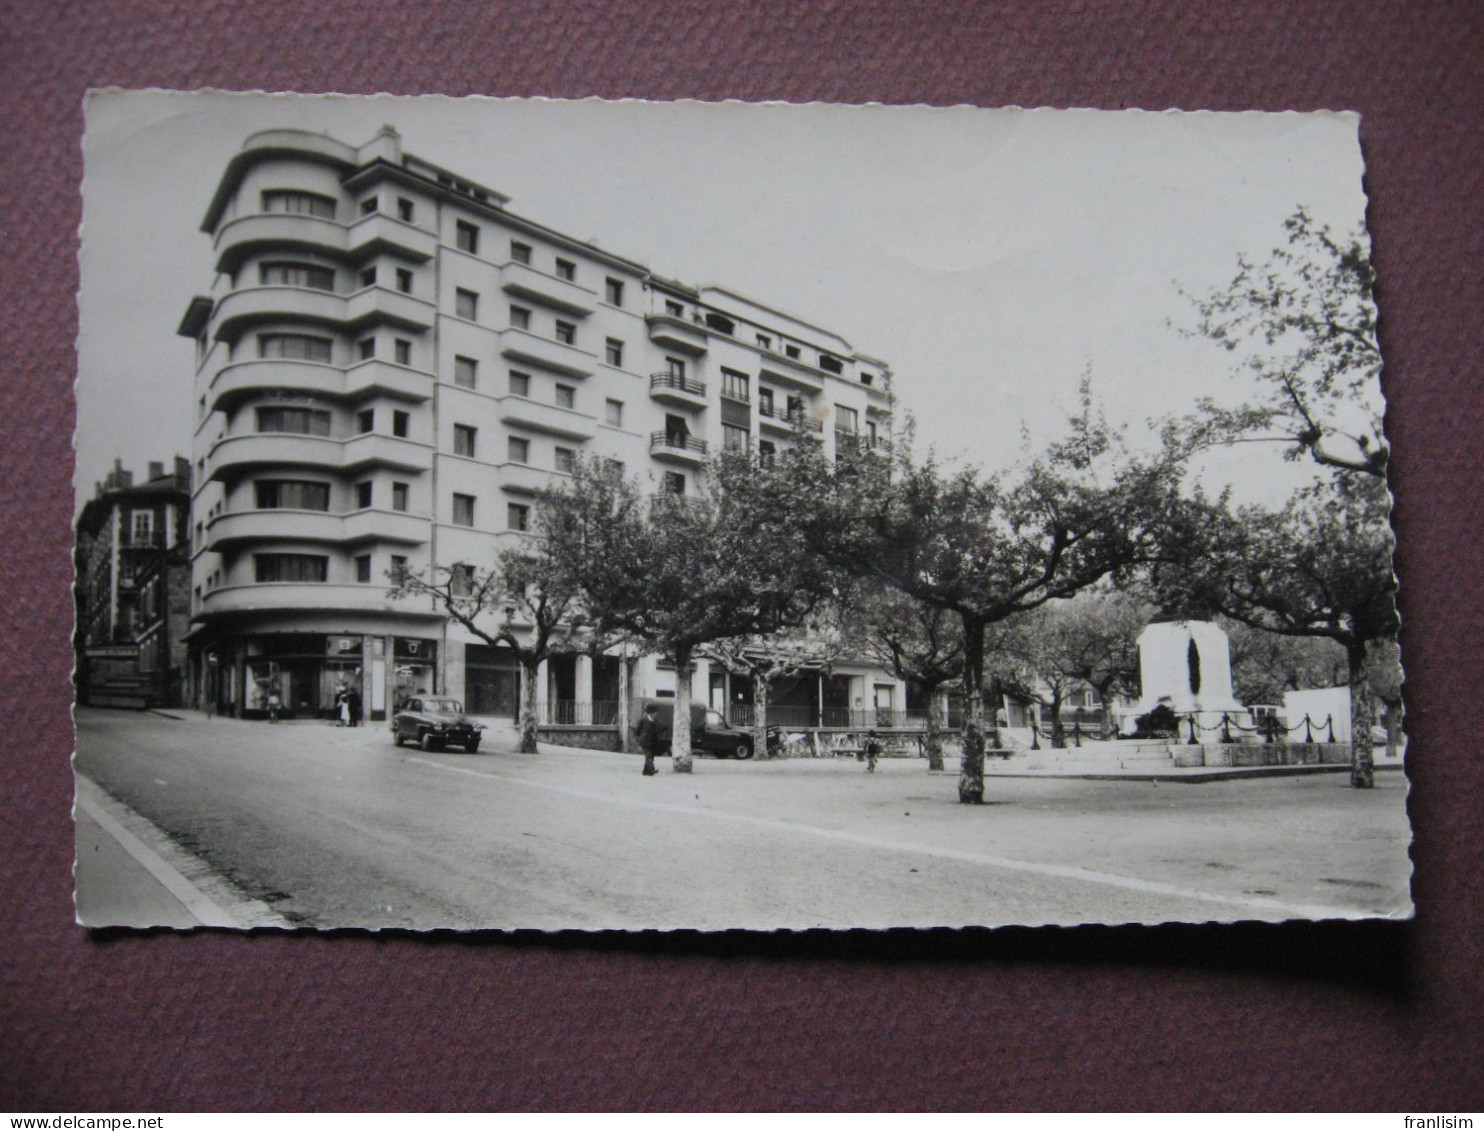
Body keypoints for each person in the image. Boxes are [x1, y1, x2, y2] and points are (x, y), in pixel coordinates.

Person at [634, 704, 662, 776]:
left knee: (651, 755)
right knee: (648, 755)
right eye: (655, 712)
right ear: (651, 713)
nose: (656, 714)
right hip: (645, 741)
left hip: (653, 741)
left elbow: (657, 730)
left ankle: (646, 771)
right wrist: (639, 738)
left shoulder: (655, 720)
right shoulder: (643, 720)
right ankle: (652, 769)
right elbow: (637, 730)